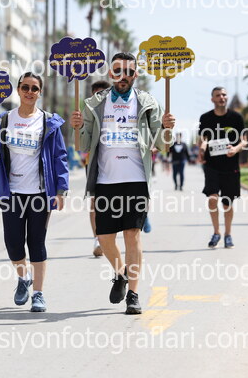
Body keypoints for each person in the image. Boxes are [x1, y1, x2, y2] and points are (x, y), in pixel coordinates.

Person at [71, 52, 175, 314]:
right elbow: (83, 145)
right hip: (106, 181)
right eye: (118, 71)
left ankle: (134, 295)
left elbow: (163, 145)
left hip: (136, 180)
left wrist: (167, 128)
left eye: (129, 71)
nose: (123, 76)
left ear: (135, 74)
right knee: (105, 238)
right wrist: (77, 127)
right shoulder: (95, 103)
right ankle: (120, 273)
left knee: (132, 235)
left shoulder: (147, 102)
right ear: (111, 73)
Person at [0, 72, 69, 312]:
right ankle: (23, 277)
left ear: (39, 92)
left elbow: (60, 156)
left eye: (34, 88)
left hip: (40, 193)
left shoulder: (48, 122)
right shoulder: (2, 121)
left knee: (36, 242)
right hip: (11, 192)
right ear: (18, 90)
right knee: (13, 244)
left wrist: (61, 189)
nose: (29, 92)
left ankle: (39, 294)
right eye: (25, 87)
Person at [197, 87, 248, 249]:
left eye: (224, 95)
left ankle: (228, 234)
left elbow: (244, 140)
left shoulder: (236, 117)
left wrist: (236, 149)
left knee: (227, 203)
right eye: (218, 95)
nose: (221, 97)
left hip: (230, 166)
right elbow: (203, 139)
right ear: (212, 99)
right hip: (211, 165)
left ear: (227, 97)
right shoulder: (206, 118)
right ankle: (216, 232)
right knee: (212, 199)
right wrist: (202, 149)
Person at [88, 80, 110, 257]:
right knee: (95, 202)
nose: (99, 98)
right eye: (96, 94)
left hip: (116, 164)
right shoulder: (87, 113)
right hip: (95, 163)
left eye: (102, 94)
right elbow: (81, 140)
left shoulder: (117, 112)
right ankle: (97, 238)